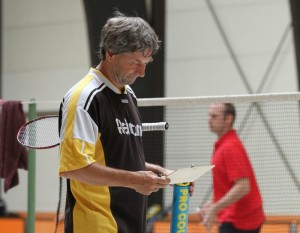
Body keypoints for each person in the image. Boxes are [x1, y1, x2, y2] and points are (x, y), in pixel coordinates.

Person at [58, 11, 185, 233]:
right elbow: (75, 167)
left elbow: (113, 155)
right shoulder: (85, 98)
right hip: (96, 225)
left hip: (131, 223)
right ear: (110, 53)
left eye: (146, 62)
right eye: (135, 62)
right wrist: (135, 180)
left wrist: (156, 172)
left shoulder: (129, 95)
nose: (143, 72)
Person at [199, 103, 265, 233]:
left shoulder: (230, 147)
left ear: (228, 119)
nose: (209, 119)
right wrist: (213, 202)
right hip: (233, 217)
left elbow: (243, 186)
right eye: (209, 115)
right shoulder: (223, 145)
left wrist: (215, 208)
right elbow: (228, 185)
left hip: (242, 221)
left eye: (214, 116)